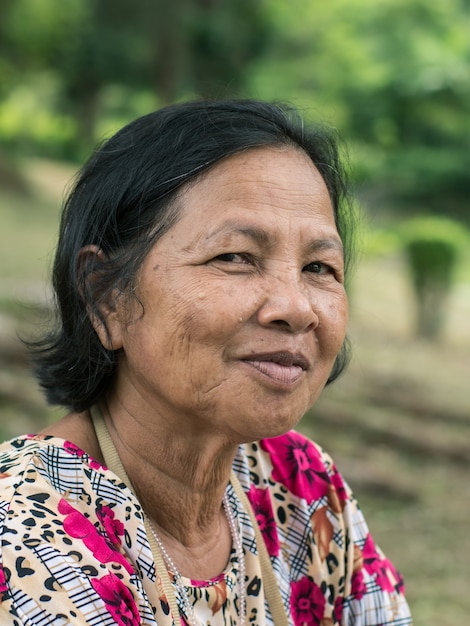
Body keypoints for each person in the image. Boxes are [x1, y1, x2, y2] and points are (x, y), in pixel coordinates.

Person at [0, 99, 412, 626]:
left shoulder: (299, 486)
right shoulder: (27, 537)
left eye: (318, 266)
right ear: (107, 296)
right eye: (234, 257)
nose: (296, 307)